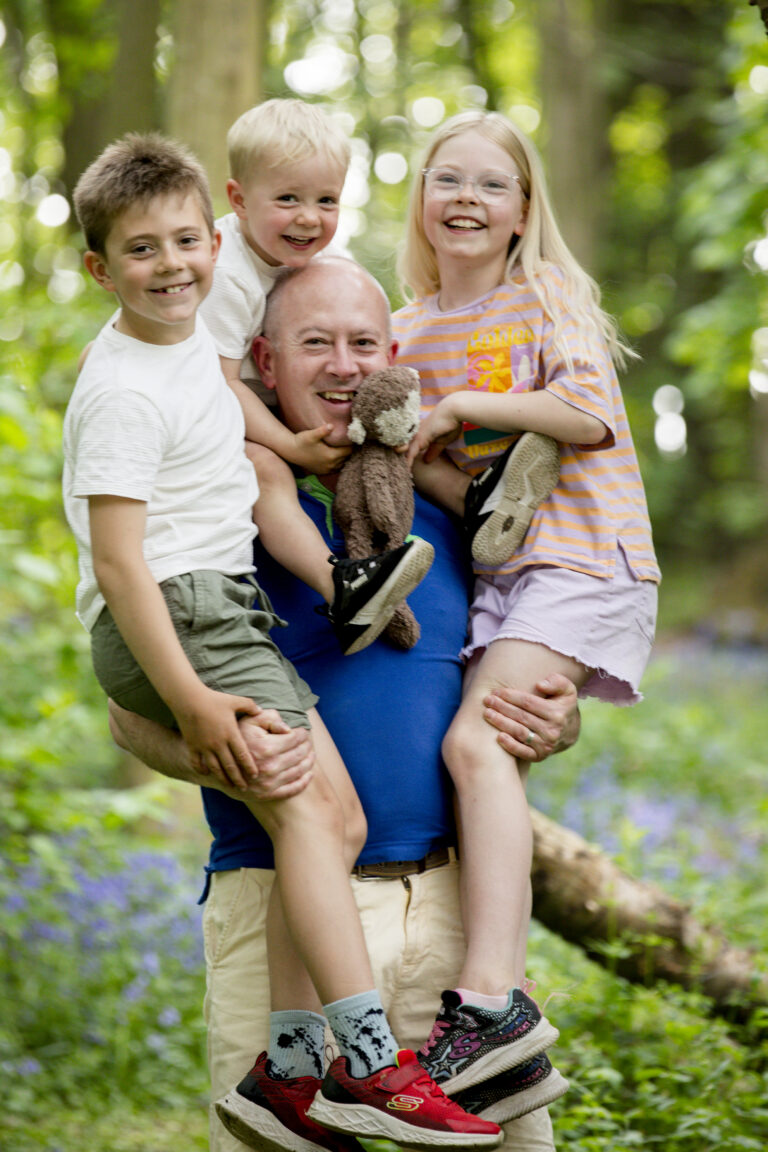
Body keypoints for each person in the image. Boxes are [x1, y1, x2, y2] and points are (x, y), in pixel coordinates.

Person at [64, 136, 502, 1152]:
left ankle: (298, 1067)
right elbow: (123, 587)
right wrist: (199, 711)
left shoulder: (195, 377)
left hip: (433, 894)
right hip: (197, 633)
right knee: (318, 810)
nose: (174, 263)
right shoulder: (137, 398)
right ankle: (361, 1062)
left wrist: (546, 699)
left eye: (189, 242)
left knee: (330, 816)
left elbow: (225, 410)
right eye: (144, 249)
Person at [108, 255, 584, 1152]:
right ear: (264, 362)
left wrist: (556, 720)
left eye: (363, 343)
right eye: (314, 342)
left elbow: (521, 669)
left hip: (452, 912)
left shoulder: (453, 511)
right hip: (277, 912)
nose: (342, 365)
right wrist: (210, 751)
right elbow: (127, 711)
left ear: (394, 358)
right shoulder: (210, 513)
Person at [390, 110, 661, 1093]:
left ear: (522, 212)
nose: (466, 198)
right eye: (447, 179)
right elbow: (462, 493)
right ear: (420, 201)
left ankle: (493, 1002)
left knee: (474, 745)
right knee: (483, 756)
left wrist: (463, 407)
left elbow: (585, 417)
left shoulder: (545, 295)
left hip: (587, 560)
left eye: (491, 184)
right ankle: (496, 1033)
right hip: (505, 572)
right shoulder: (405, 330)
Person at [202, 97, 433, 654]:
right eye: (288, 199)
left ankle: (479, 499)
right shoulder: (225, 274)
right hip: (195, 414)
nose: (309, 217)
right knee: (264, 468)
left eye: (326, 200)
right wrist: (289, 445)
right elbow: (218, 385)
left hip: (230, 403)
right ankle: (341, 586)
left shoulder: (284, 256)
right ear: (237, 200)